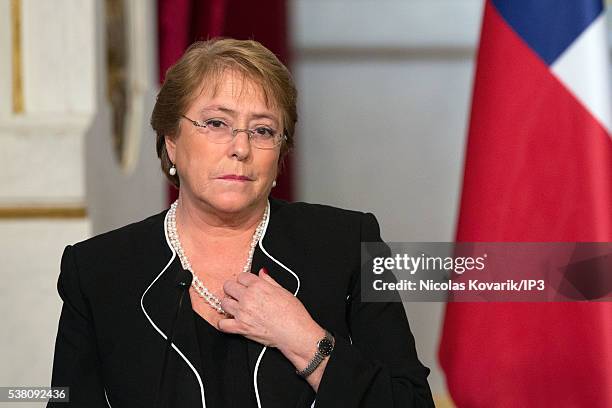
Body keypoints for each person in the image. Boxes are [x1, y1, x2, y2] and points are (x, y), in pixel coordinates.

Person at [48, 38, 433, 408]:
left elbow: (412, 403)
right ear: (171, 142)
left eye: (263, 130)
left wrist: (306, 340)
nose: (241, 147)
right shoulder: (99, 271)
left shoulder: (350, 245)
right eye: (216, 123)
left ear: (280, 153)